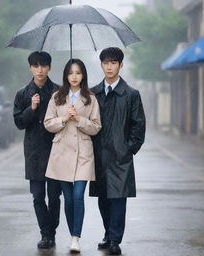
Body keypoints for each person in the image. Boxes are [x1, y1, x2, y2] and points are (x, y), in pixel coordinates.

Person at [90, 47, 146, 255]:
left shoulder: (131, 94)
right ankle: (107, 233)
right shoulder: (93, 93)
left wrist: (128, 148)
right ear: (102, 65)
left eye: (114, 62)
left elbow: (138, 125)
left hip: (120, 155)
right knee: (103, 197)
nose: (110, 66)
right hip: (98, 155)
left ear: (121, 65)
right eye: (106, 62)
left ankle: (115, 238)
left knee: (118, 197)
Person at [44, 58, 101, 253]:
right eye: (70, 73)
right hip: (61, 155)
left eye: (78, 72)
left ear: (83, 75)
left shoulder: (91, 98)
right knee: (67, 200)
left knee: (78, 196)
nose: (74, 76)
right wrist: (64, 118)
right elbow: (48, 123)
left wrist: (79, 119)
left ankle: (76, 237)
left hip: (83, 154)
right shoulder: (57, 97)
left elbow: (96, 127)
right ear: (65, 75)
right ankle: (72, 236)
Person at [13, 51, 61, 249]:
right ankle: (46, 233)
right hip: (34, 153)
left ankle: (51, 230)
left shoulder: (59, 92)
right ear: (30, 68)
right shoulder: (23, 94)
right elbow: (19, 123)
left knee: (55, 196)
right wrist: (31, 108)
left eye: (43, 65)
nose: (40, 70)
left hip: (56, 151)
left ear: (49, 67)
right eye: (36, 65)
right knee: (38, 196)